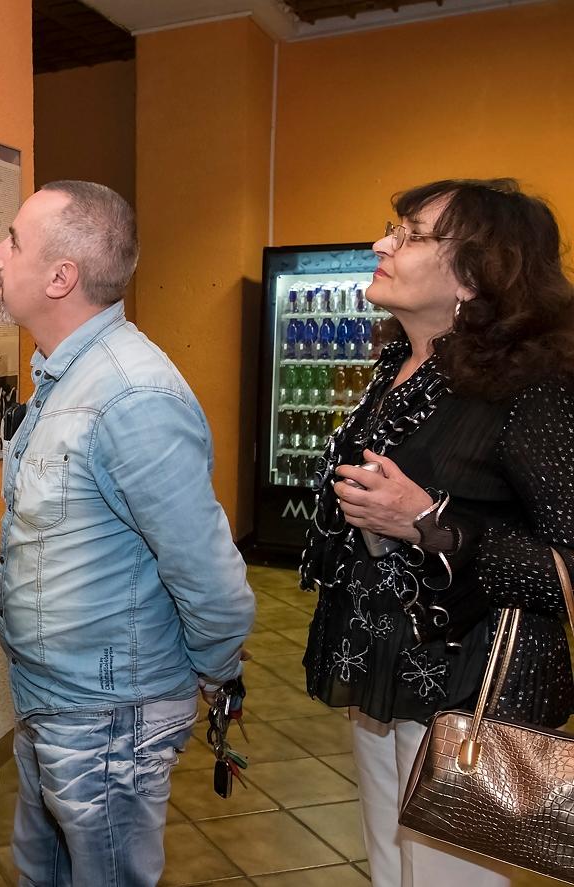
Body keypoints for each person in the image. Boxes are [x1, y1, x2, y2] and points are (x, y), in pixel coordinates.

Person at [299, 178, 574, 887]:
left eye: (412, 233)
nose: (381, 244)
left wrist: (428, 524)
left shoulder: (532, 387)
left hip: (472, 692)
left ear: (478, 272)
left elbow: (566, 565)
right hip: (382, 667)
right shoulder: (396, 367)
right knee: (392, 870)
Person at [0, 180, 255, 886]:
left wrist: (211, 671)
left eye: (12, 241)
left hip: (109, 718)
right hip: (55, 702)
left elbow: (209, 574)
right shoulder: (61, 381)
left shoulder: (131, 395)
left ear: (60, 276)